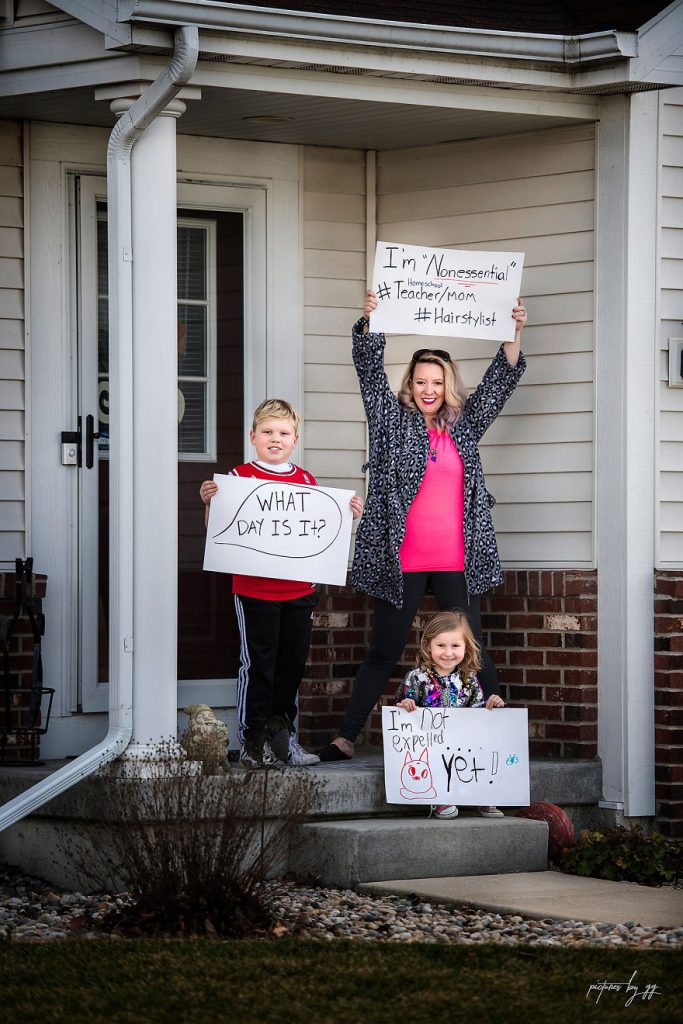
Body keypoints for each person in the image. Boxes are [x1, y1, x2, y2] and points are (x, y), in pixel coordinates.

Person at [316, 289, 527, 762]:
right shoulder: (390, 421)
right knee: (384, 650)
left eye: (436, 381)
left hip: (457, 560)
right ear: (409, 385)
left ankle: (494, 739)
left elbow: (501, 383)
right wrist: (370, 321)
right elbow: (369, 371)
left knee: (473, 648)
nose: (428, 389)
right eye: (420, 381)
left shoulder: (464, 425)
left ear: (447, 385)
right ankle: (345, 738)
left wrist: (513, 333)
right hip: (403, 561)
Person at [200, 399, 363, 768]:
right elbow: (218, 531)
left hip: (299, 592)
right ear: (253, 436)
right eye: (268, 432)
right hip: (254, 591)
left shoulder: (305, 481)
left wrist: (346, 516)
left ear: (295, 439)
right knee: (259, 667)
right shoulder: (239, 477)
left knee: (291, 668)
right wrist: (210, 504)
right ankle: (252, 742)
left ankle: (284, 742)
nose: (275, 439)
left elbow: (318, 531)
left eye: (284, 433)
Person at [396, 609, 506, 819]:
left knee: (480, 749)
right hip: (429, 742)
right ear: (428, 645)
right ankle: (441, 798)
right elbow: (401, 712)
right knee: (433, 760)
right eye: (441, 645)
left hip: (461, 742)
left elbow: (477, 713)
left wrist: (491, 706)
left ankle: (483, 795)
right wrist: (406, 703)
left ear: (466, 647)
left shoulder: (468, 679)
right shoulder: (418, 677)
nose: (448, 653)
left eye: (455, 646)